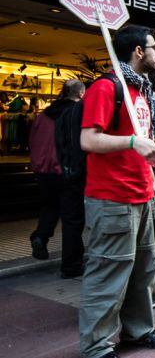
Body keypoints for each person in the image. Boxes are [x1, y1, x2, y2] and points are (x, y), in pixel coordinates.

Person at [79, 25, 155, 358]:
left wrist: (152, 180)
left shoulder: (140, 92)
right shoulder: (106, 88)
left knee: (143, 271)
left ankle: (138, 330)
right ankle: (97, 347)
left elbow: (144, 147)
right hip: (111, 199)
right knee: (108, 272)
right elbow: (89, 140)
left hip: (142, 194)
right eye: (154, 47)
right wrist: (132, 141)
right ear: (137, 52)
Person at [29, 79, 86, 278]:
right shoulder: (75, 113)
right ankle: (71, 266)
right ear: (80, 94)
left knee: (49, 206)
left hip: (43, 172)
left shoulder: (44, 114)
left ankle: (40, 237)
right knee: (72, 219)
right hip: (66, 171)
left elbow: (33, 140)